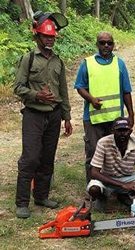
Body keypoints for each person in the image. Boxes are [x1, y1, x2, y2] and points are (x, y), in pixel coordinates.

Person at [14, 11, 72, 218]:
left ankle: (41, 195)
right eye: (45, 36)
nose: (49, 40)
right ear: (37, 37)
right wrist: (37, 95)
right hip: (33, 115)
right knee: (30, 158)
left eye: (52, 37)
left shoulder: (58, 61)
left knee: (47, 158)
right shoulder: (28, 59)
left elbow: (63, 90)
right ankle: (22, 202)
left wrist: (67, 117)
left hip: (54, 115)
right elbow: (18, 87)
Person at [74, 31, 134, 184]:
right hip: (93, 119)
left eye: (109, 42)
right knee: (93, 154)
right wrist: (91, 100)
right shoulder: (87, 63)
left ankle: (113, 187)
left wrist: (131, 115)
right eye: (102, 42)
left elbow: (126, 91)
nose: (106, 45)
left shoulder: (119, 64)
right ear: (97, 44)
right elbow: (80, 87)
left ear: (113, 44)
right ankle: (94, 189)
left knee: (114, 154)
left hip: (115, 120)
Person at [87, 117, 135, 210]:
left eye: (125, 130)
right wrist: (121, 184)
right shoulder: (103, 142)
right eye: (119, 131)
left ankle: (123, 195)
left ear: (130, 131)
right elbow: (94, 172)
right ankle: (104, 198)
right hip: (106, 178)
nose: (122, 134)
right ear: (113, 131)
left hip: (127, 178)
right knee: (94, 189)